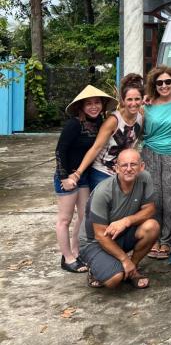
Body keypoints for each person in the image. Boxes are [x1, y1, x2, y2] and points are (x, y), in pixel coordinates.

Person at [54, 84, 117, 273]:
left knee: (84, 217)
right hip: (67, 175)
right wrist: (64, 177)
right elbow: (60, 151)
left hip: (84, 176)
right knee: (65, 219)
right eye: (88, 104)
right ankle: (67, 258)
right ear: (81, 106)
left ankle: (76, 251)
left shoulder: (100, 123)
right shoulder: (74, 124)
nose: (93, 107)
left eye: (97, 102)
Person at [79, 149, 159, 290]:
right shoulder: (103, 191)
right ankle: (96, 269)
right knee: (114, 280)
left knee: (152, 226)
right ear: (116, 168)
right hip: (95, 242)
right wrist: (124, 259)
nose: (129, 169)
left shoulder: (145, 178)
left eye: (133, 164)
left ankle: (132, 270)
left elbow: (150, 209)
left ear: (142, 166)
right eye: (124, 165)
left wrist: (126, 221)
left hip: (121, 233)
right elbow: (99, 235)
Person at [141, 65, 171, 259]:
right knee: (153, 198)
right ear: (154, 84)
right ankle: (154, 239)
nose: (164, 85)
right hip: (149, 153)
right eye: (159, 82)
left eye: (168, 81)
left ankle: (167, 241)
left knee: (169, 199)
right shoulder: (147, 105)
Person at [72, 73, 144, 189]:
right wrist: (78, 173)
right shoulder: (113, 120)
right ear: (123, 101)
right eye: (129, 99)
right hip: (102, 172)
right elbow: (96, 148)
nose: (133, 103)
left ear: (142, 100)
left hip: (124, 172)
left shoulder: (141, 117)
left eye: (137, 99)